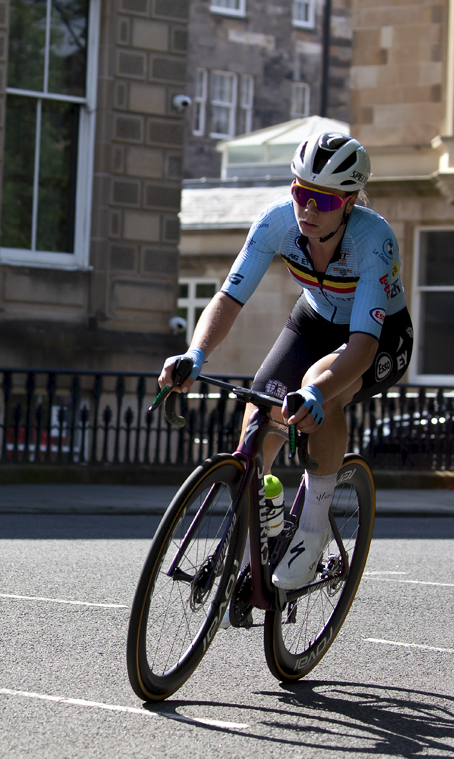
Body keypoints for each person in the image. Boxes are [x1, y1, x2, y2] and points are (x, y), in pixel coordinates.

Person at [158, 132, 413, 590]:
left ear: (350, 201)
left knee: (320, 389)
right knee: (261, 407)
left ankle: (312, 530)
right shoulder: (276, 222)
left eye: (324, 201)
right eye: (301, 193)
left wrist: (316, 391)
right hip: (313, 319)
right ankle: (264, 504)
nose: (308, 210)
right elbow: (229, 297)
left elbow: (362, 345)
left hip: (377, 339)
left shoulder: (375, 240)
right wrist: (195, 353)